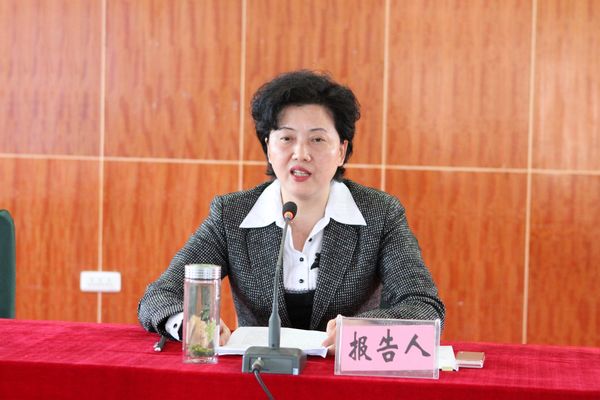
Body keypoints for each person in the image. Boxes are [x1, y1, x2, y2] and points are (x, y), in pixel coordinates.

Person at [138, 70, 445, 354]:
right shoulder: (231, 215)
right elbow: (160, 295)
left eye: (317, 139)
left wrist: (366, 329)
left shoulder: (379, 215)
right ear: (268, 147)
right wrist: (193, 324)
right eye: (286, 138)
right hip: (259, 378)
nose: (301, 153)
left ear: (341, 151)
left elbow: (424, 306)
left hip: (346, 378)